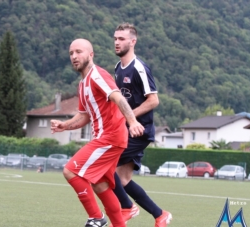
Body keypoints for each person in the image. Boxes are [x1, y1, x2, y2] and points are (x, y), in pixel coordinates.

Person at [51, 38, 144, 227]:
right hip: (108, 139)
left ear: (91, 54)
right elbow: (84, 116)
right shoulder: (83, 84)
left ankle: (97, 217)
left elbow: (118, 98)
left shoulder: (97, 75)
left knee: (71, 171)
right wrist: (65, 125)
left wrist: (132, 121)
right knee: (100, 184)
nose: (74, 56)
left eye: (79, 52)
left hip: (110, 137)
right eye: (71, 53)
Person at [111, 22, 172, 227]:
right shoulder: (118, 68)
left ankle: (126, 208)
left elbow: (154, 100)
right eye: (115, 39)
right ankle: (159, 214)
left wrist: (130, 118)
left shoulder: (139, 67)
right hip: (126, 130)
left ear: (133, 41)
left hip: (139, 131)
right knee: (124, 179)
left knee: (105, 165)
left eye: (121, 39)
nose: (117, 43)